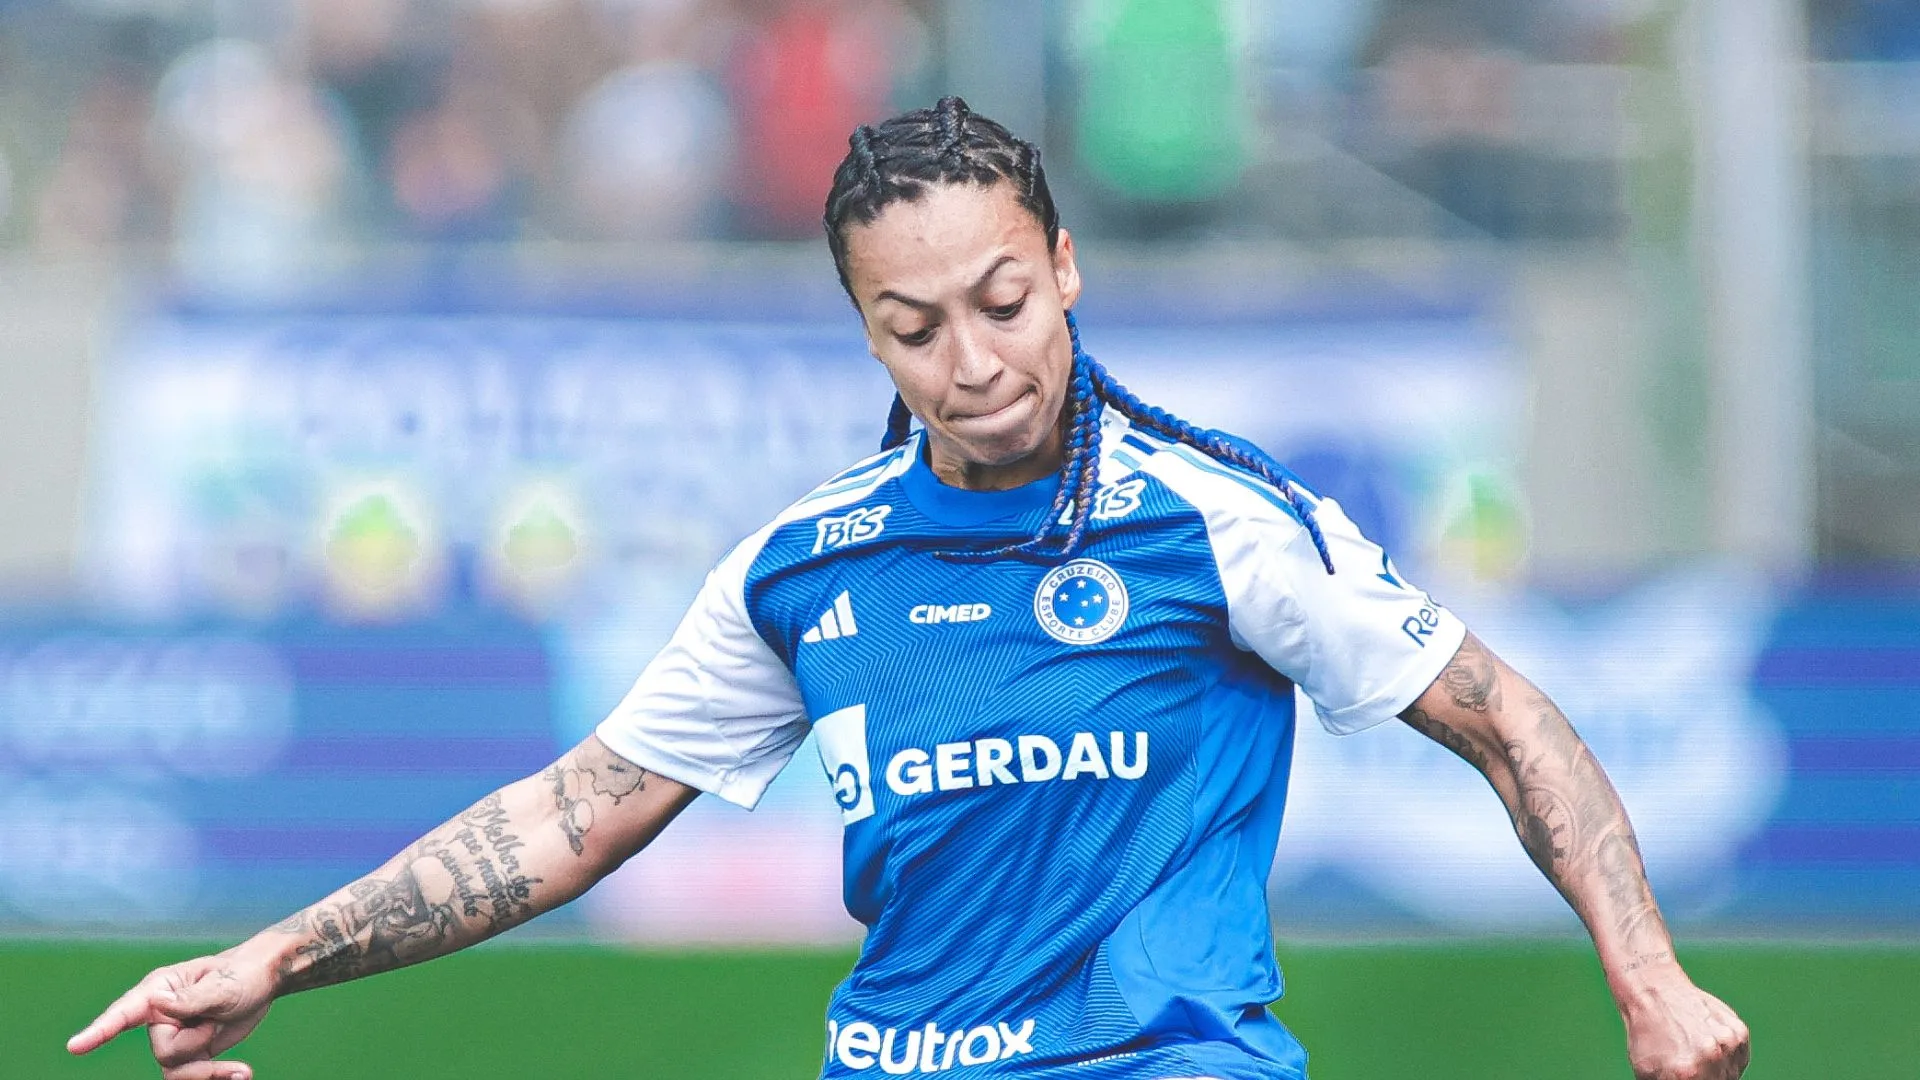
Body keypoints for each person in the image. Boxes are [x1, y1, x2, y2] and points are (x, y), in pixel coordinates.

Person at [67, 97, 1750, 1080]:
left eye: (1005, 299)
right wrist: (276, 955)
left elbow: (1507, 718)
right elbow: (569, 816)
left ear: (1067, 266)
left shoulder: (1215, 519)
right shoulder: (807, 568)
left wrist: (1648, 980)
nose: (976, 359)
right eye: (916, 325)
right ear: (865, 329)